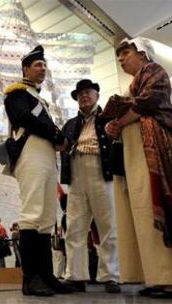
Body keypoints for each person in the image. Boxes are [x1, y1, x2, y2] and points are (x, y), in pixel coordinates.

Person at [104, 37, 172, 298]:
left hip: (151, 144)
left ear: (142, 53)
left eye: (126, 53)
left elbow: (150, 102)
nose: (121, 59)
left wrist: (119, 121)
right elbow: (128, 114)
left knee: (150, 200)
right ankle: (153, 276)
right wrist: (114, 125)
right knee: (139, 209)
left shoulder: (154, 70)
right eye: (118, 55)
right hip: (133, 149)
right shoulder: (131, 85)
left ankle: (167, 276)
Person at [3, 44, 70, 296]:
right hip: (30, 152)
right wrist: (58, 135)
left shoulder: (38, 97)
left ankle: (46, 274)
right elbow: (26, 119)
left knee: (46, 217)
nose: (42, 68)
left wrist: (57, 139)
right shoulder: (16, 93)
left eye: (44, 65)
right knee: (32, 213)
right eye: (37, 65)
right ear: (25, 69)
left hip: (46, 155)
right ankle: (30, 278)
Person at [60, 79, 121, 293]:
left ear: (97, 95)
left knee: (108, 225)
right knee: (75, 227)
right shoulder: (69, 124)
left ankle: (111, 276)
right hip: (76, 174)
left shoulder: (110, 118)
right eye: (79, 94)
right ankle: (75, 275)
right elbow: (62, 145)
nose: (84, 96)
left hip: (101, 171)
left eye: (88, 92)